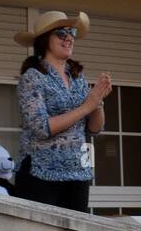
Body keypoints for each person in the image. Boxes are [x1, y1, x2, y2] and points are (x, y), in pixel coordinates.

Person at [13, 11, 111, 211]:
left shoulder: (78, 78)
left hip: (77, 172)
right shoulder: (32, 77)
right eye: (61, 33)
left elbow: (94, 129)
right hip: (40, 172)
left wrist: (97, 102)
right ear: (44, 40)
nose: (69, 37)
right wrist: (86, 106)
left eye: (72, 32)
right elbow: (41, 127)